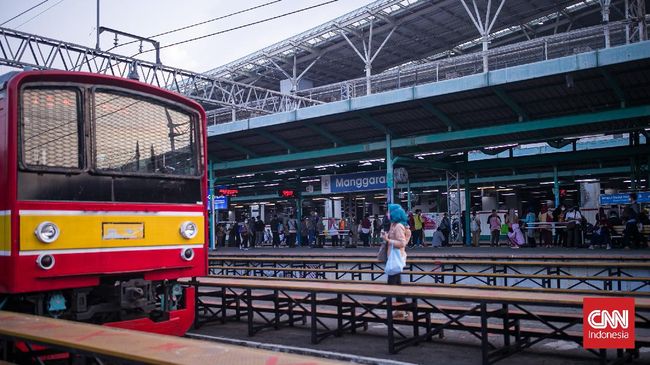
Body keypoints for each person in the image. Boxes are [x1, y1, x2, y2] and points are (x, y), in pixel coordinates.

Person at [381, 204, 411, 319]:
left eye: (389, 212)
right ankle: (402, 311)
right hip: (393, 259)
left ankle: (406, 311)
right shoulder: (394, 224)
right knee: (396, 287)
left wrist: (388, 239)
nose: (387, 214)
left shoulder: (398, 226)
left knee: (392, 287)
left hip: (396, 259)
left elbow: (402, 243)